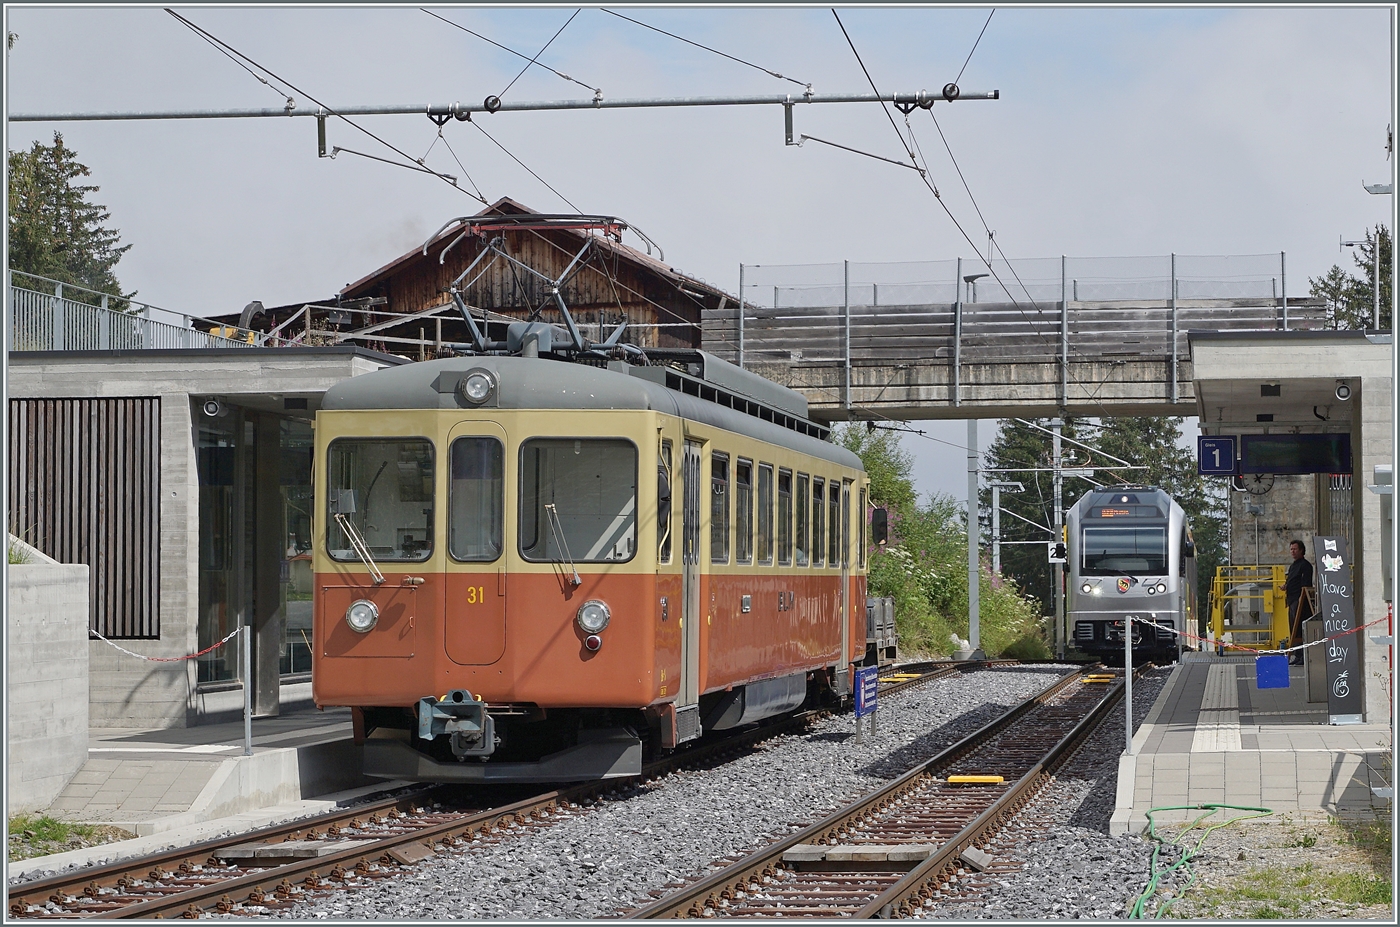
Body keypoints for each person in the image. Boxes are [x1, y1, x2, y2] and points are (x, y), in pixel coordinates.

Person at [1284, 539, 1314, 665]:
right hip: (1291, 600)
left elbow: (1305, 583)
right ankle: (1297, 654)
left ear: (1301, 550)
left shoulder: (1305, 565)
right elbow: (1292, 580)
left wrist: (1302, 599)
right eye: (1291, 549)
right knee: (1293, 629)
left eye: (1295, 549)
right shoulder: (1293, 566)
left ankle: (1303, 655)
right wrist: (1285, 586)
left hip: (1300, 600)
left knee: (1300, 628)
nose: (1293, 551)